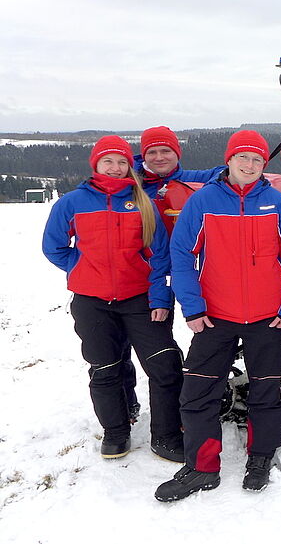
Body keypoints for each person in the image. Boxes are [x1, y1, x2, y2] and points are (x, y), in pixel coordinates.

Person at [155, 130, 281, 501]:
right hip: (215, 316)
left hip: (266, 317)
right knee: (198, 394)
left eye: (257, 159)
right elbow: (182, 255)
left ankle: (260, 457)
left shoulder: (277, 204)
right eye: (243, 157)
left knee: (266, 393)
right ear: (229, 160)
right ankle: (202, 468)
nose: (250, 165)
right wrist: (192, 306)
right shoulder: (203, 201)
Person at [41, 135, 184, 461]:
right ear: (96, 164)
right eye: (108, 161)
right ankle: (116, 432)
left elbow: (160, 256)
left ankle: (166, 436)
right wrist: (81, 268)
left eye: (122, 162)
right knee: (105, 368)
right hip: (91, 302)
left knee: (164, 364)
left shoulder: (142, 203)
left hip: (139, 298)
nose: (116, 167)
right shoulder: (72, 203)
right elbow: (54, 246)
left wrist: (160, 299)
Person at [118, 126, 226, 422]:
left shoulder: (191, 179)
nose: (159, 157)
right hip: (148, 276)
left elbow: (224, 173)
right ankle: (126, 403)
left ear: (177, 153)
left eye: (166, 150)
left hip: (189, 272)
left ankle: (189, 401)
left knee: (183, 341)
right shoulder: (132, 185)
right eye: (152, 152)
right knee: (131, 343)